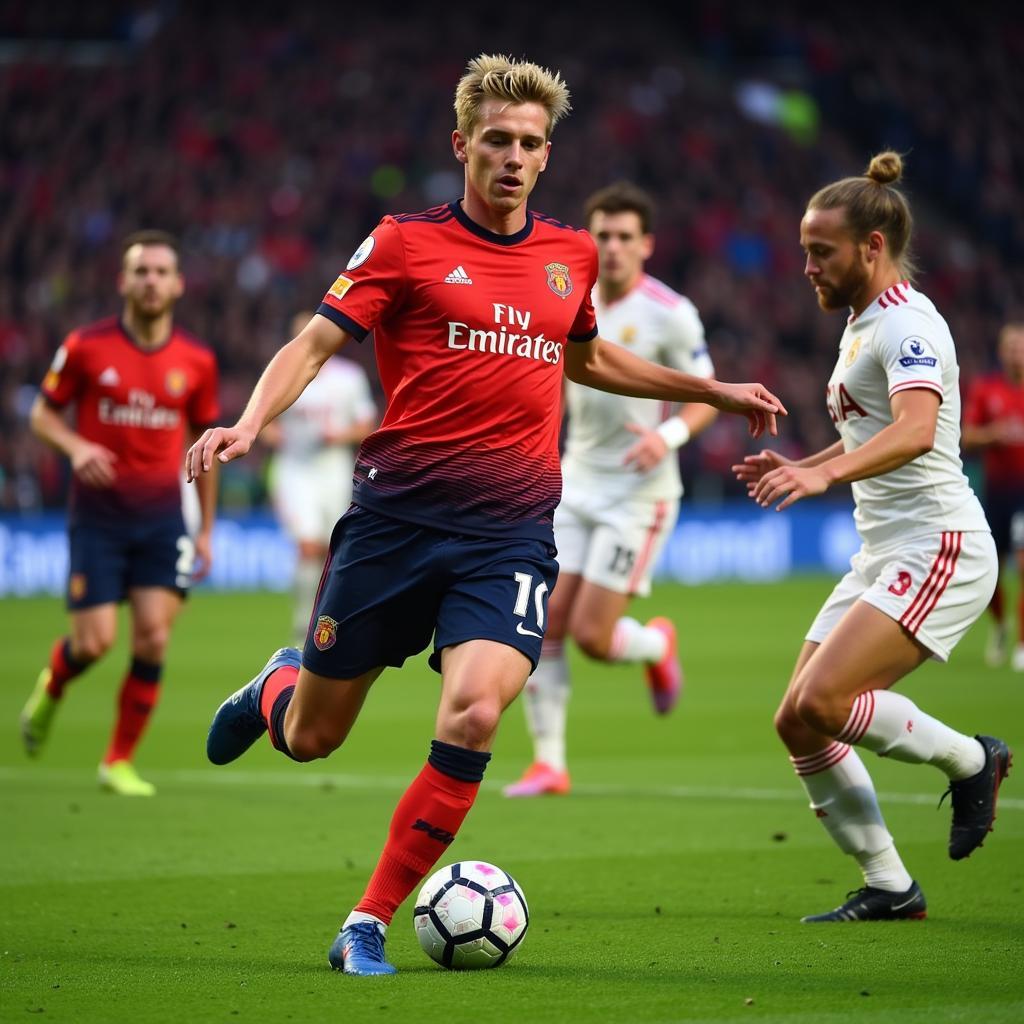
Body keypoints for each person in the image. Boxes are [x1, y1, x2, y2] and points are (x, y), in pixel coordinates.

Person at [186, 53, 785, 976]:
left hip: (508, 532)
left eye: (530, 144)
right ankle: (274, 687)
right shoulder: (400, 243)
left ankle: (367, 922)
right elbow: (313, 343)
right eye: (496, 141)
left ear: (548, 157)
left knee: (470, 717)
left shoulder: (569, 256)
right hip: (394, 524)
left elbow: (586, 358)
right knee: (313, 737)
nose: (512, 157)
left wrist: (707, 389)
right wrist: (250, 422)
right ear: (461, 144)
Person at [734, 152, 1011, 923]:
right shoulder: (862, 325)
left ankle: (970, 759)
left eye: (821, 252)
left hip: (939, 544)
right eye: (804, 252)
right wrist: (807, 464)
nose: (807, 267)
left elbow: (919, 431)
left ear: (873, 246)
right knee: (796, 718)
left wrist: (824, 479)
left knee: (824, 701)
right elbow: (873, 428)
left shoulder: (909, 323)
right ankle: (891, 885)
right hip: (883, 550)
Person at [504, 182, 718, 798]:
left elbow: (705, 393)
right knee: (543, 625)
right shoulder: (568, 296)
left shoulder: (670, 313)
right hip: (574, 483)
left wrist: (668, 436)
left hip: (640, 495)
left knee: (595, 638)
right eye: (603, 236)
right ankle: (550, 763)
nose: (614, 248)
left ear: (646, 244)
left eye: (626, 237)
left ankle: (654, 643)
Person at [20, 230, 220, 796]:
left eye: (161, 271)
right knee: (93, 643)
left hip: (162, 517)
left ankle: (118, 761)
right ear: (123, 281)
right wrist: (78, 447)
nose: (151, 281)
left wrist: (205, 529)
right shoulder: (86, 346)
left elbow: (206, 449)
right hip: (99, 519)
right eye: (141, 271)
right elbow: (42, 415)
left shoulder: (196, 361)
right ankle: (53, 685)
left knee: (154, 638)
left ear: (178, 285)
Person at [263, 310, 377, 644]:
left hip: (334, 469)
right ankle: (303, 626)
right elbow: (266, 421)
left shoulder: (349, 377)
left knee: (332, 548)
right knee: (307, 544)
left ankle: (328, 619)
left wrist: (337, 435)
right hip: (295, 469)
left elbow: (365, 424)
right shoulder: (283, 374)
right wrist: (275, 437)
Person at [962, 322, 1024, 670]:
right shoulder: (987, 390)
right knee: (991, 574)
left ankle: (1022, 644)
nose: (1017, 353)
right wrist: (995, 435)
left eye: (1021, 347)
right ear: (1002, 352)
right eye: (1011, 347)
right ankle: (1001, 625)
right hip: (996, 494)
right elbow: (967, 438)